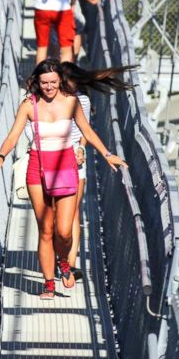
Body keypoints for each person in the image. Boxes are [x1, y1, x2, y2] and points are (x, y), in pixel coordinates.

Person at [0, 60, 126, 299]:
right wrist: (0, 156)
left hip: (66, 167)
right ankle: (48, 283)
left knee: (64, 231)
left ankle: (63, 260)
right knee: (46, 231)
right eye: (44, 83)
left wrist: (107, 154)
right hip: (37, 170)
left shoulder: (71, 102)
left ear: (60, 80)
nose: (49, 87)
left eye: (52, 82)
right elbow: (13, 135)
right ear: (37, 83)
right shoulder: (29, 105)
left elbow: (87, 131)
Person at [58, 61, 135, 281]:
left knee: (73, 211)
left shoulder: (81, 99)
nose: (68, 86)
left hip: (74, 159)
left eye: (71, 82)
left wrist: (82, 148)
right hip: (51, 159)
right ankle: (60, 254)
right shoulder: (48, 99)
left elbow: (86, 130)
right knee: (56, 216)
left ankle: (69, 265)